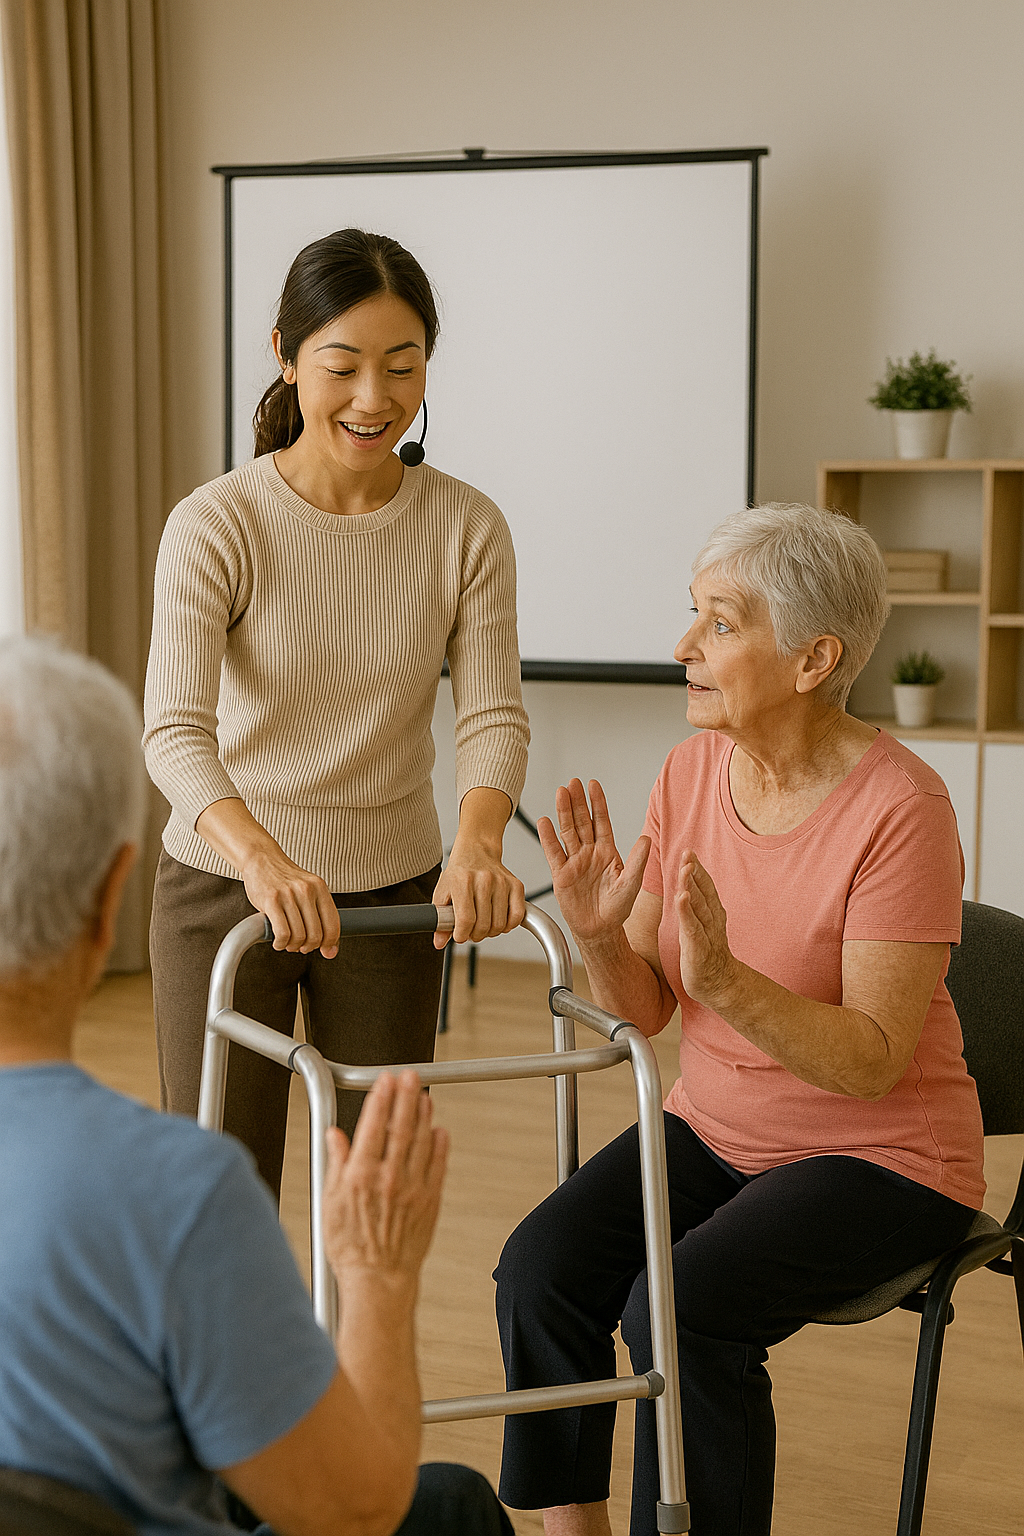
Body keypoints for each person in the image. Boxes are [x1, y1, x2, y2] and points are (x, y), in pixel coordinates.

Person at [493, 504, 985, 1536]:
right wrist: (596, 932)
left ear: (813, 658)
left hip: (882, 1160)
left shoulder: (903, 809)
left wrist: (727, 983)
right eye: (692, 617)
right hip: (718, 1131)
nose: (682, 647)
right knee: (541, 1269)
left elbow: (870, 1063)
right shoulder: (689, 772)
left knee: (680, 1311)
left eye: (718, 623)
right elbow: (646, 1005)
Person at [0, 635, 514, 1536]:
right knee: (454, 1507)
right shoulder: (176, 1191)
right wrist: (379, 1276)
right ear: (107, 898)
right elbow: (356, 1509)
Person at [144, 228, 530, 1194]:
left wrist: (479, 844)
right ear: (284, 354)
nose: (374, 399)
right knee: (221, 1190)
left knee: (379, 1187)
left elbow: (492, 715)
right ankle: (230, 1355)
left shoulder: (466, 525)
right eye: (342, 365)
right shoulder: (216, 524)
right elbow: (175, 733)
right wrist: (262, 859)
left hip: (391, 894)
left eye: (402, 367)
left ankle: (359, 1357)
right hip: (225, 888)